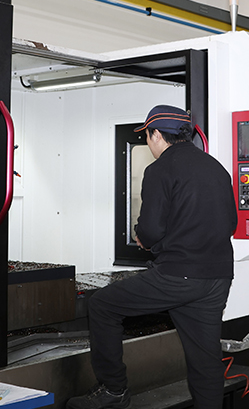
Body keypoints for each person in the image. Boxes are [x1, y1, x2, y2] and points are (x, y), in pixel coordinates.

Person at [67, 105, 237, 409]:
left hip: (178, 275)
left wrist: (141, 236)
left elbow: (151, 230)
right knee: (205, 357)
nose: (148, 143)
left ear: (157, 134)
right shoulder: (215, 167)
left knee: (102, 305)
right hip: (217, 277)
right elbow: (231, 223)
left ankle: (114, 390)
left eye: (147, 136)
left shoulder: (160, 169)